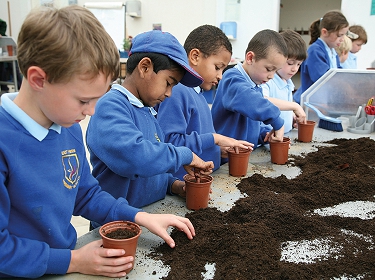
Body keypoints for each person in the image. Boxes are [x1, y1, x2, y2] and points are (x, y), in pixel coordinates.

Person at [0, 6, 198, 278]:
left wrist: (141, 217)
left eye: (97, 98)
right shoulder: (5, 141)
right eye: (84, 100)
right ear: (38, 79)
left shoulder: (65, 126)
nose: (91, 112)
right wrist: (73, 261)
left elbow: (86, 193)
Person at [86, 30, 214, 227]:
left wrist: (174, 185)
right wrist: (185, 155)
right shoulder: (110, 106)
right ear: (145, 67)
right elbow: (136, 157)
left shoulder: (148, 112)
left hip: (150, 219)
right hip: (116, 228)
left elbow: (152, 171)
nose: (170, 93)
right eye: (168, 83)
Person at [156, 24, 253, 179]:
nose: (220, 76)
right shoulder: (178, 92)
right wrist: (216, 138)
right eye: (217, 67)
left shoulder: (198, 92)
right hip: (184, 184)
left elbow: (198, 139)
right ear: (195, 56)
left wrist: (217, 150)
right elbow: (170, 142)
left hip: (205, 180)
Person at [211, 29, 287, 162]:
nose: (271, 76)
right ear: (250, 58)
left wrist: (263, 134)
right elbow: (253, 103)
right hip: (224, 161)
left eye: (276, 71)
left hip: (243, 159)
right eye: (269, 69)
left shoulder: (255, 85)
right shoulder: (232, 79)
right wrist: (277, 121)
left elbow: (251, 124)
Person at [293, 10, 349, 104]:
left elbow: (340, 74)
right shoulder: (315, 51)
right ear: (324, 32)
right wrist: (345, 85)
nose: (343, 39)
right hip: (314, 104)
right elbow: (323, 79)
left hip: (325, 103)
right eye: (340, 35)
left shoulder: (332, 52)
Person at [261, 29, 307, 134]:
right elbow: (263, 101)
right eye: (290, 63)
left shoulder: (288, 82)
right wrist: (294, 106)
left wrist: (291, 116)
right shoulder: (267, 81)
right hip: (267, 138)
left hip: (286, 136)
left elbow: (283, 106)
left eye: (299, 64)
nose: (295, 69)